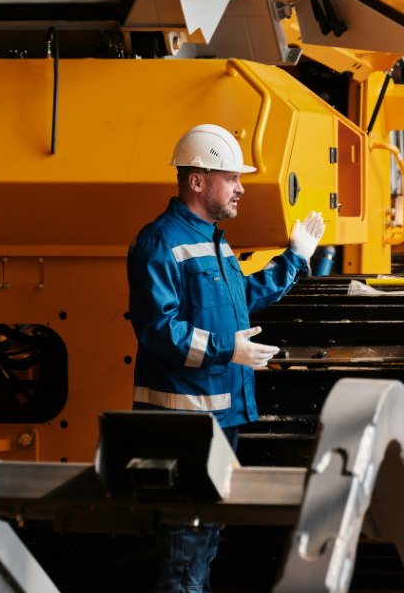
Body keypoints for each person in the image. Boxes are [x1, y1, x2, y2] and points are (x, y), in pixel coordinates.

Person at [127, 124, 325, 593]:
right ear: (197, 181)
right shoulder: (160, 243)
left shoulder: (214, 241)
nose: (241, 188)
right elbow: (158, 330)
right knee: (184, 548)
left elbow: (242, 298)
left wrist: (294, 259)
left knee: (205, 539)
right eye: (231, 177)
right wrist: (227, 349)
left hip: (221, 416)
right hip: (185, 423)